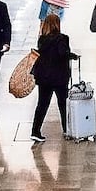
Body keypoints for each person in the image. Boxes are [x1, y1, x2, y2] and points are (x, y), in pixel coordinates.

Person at [29, 14, 78, 142]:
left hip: (44, 77)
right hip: (59, 77)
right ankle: (67, 129)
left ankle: (35, 131)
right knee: (63, 104)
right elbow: (62, 53)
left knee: (42, 104)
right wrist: (73, 56)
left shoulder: (42, 40)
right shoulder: (62, 38)